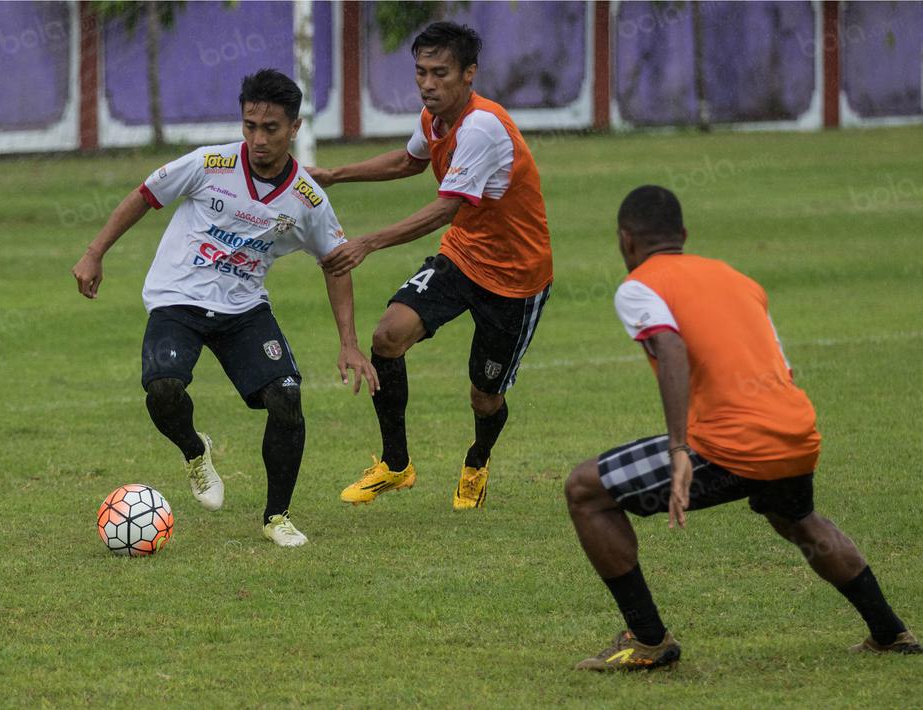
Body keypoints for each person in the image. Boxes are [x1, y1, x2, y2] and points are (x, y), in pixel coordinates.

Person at [565, 185, 919, 670]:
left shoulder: (639, 286)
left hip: (730, 445)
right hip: (795, 429)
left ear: (626, 240)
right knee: (796, 517)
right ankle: (889, 632)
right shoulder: (736, 278)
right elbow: (779, 361)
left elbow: (670, 351)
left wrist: (678, 449)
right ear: (683, 235)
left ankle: (648, 640)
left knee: (585, 490)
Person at [71, 69, 376, 547]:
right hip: (178, 298)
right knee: (164, 388)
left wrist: (350, 344)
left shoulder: (307, 199)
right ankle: (196, 452)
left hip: (244, 310)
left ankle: (277, 517)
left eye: (270, 128)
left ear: (295, 128)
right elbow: (145, 195)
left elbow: (336, 264)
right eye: (249, 125)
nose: (257, 138)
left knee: (286, 398)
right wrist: (95, 252)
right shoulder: (209, 164)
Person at [308, 22, 552, 510]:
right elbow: (408, 163)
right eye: (421, 72)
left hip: (514, 279)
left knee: (484, 396)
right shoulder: (433, 118)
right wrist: (335, 174)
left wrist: (369, 243)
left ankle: (478, 460)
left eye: (440, 73)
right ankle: (396, 466)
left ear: (469, 74)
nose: (428, 84)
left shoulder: (482, 126)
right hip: (463, 255)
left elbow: (446, 207)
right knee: (387, 337)